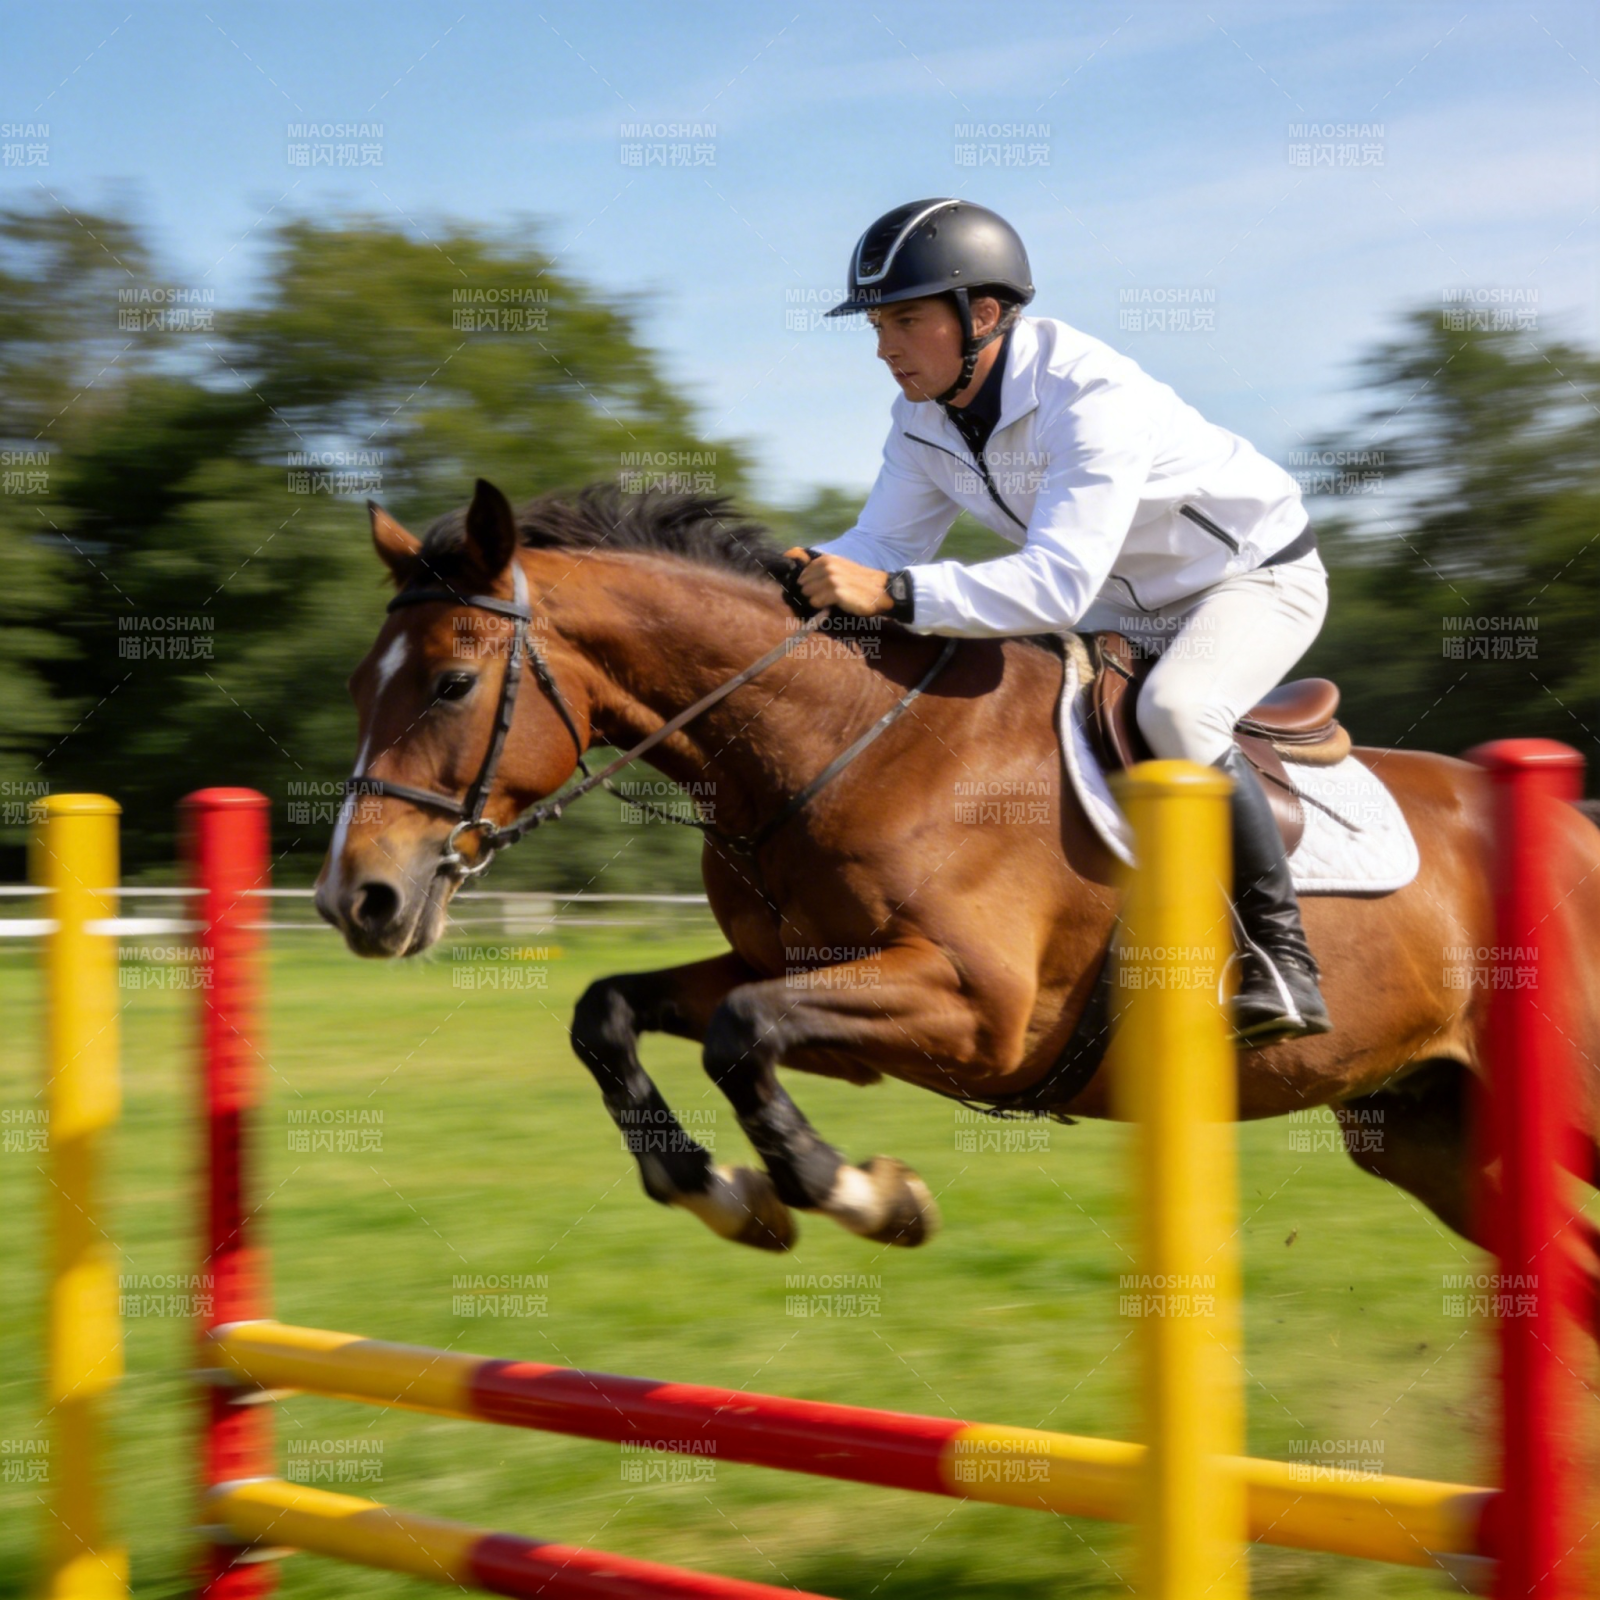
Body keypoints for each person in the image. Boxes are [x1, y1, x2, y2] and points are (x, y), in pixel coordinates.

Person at [788, 198, 1331, 1044]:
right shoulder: (921, 418)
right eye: (876, 325)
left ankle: (1280, 959)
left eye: (905, 320)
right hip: (1120, 599)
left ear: (987, 315)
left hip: (1249, 579)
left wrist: (892, 594)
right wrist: (777, 580)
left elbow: (1054, 585)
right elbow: (877, 543)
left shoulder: (1088, 394)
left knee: (1177, 711)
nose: (885, 347)